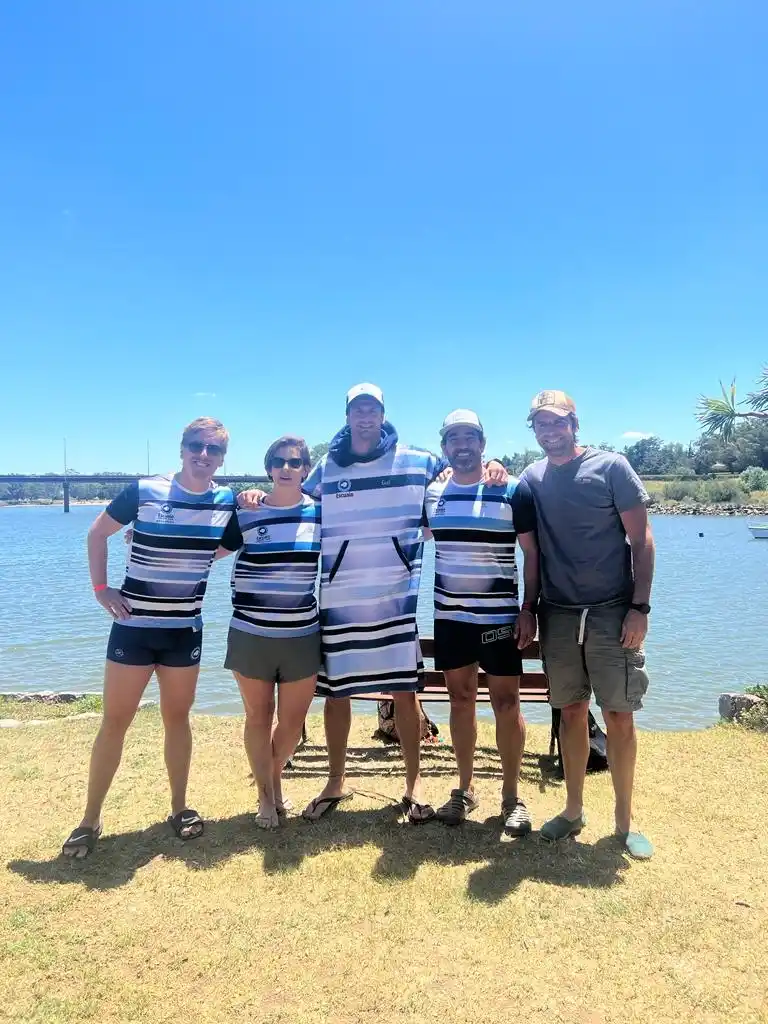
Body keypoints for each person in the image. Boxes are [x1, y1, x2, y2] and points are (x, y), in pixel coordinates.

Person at [251, 383, 507, 823]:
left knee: (405, 694)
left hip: (396, 600)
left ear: (382, 414)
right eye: (357, 410)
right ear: (348, 416)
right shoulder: (327, 467)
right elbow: (292, 500)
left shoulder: (419, 460)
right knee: (337, 696)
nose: (364, 417)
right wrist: (254, 497)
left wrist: (496, 465)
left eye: (372, 409)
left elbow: (464, 468)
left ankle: (413, 785)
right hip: (339, 600)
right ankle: (335, 781)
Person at [61, 418, 236, 858]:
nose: (203, 455)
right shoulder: (144, 491)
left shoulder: (226, 501)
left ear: (222, 458)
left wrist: (193, 558)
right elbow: (98, 532)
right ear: (181, 449)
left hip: (183, 632)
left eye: (213, 450)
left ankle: (179, 808)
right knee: (114, 722)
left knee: (177, 720)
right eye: (196, 446)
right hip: (133, 631)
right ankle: (89, 819)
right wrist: (102, 590)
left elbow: (230, 542)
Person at [521, 390, 655, 859]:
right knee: (571, 712)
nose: (549, 431)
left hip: (612, 612)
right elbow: (531, 551)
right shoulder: (531, 478)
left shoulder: (612, 467)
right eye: (540, 423)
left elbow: (642, 540)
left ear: (574, 424)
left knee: (619, 715)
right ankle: (573, 809)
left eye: (557, 422)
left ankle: (624, 821)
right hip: (557, 615)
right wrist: (529, 607)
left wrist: (640, 608)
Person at [422, 410, 540, 832]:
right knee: (460, 700)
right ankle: (465, 789)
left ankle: (511, 797)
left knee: (507, 704)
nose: (462, 444)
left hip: (499, 619)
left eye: (470, 436)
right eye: (453, 437)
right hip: (450, 617)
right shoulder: (431, 494)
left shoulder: (511, 489)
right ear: (445, 447)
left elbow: (532, 554)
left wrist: (529, 608)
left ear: (482, 443)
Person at [218, 436, 321, 829]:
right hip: (250, 633)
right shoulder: (245, 512)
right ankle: (266, 797)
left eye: (295, 462)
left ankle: (272, 780)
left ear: (306, 470)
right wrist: (143, 535)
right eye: (278, 461)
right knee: (259, 717)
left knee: (292, 723)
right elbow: (204, 548)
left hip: (301, 635)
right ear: (268, 468)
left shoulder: (319, 514)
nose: (286, 467)